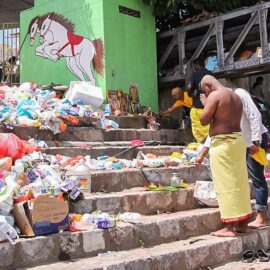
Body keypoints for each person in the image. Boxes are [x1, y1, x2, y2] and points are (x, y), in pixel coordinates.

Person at [196, 86, 269, 229]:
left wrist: (256, 140)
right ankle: (243, 221)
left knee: (257, 179)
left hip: (253, 142)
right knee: (240, 181)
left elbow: (255, 115)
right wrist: (202, 154)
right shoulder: (221, 104)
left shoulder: (238, 94)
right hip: (240, 144)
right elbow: (216, 133)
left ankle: (261, 216)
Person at [198, 75, 253, 237]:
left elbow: (203, 120)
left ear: (207, 87)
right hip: (237, 142)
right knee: (240, 182)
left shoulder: (215, 95)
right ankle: (243, 224)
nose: (205, 93)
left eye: (204, 91)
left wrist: (205, 103)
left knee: (225, 184)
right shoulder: (236, 96)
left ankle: (229, 227)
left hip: (222, 144)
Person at [186, 58, 212, 143]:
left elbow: (189, 87)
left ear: (196, 66)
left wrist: (191, 93)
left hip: (197, 109)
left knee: (200, 135)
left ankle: (203, 150)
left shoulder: (195, 74)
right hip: (210, 109)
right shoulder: (211, 74)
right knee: (210, 133)